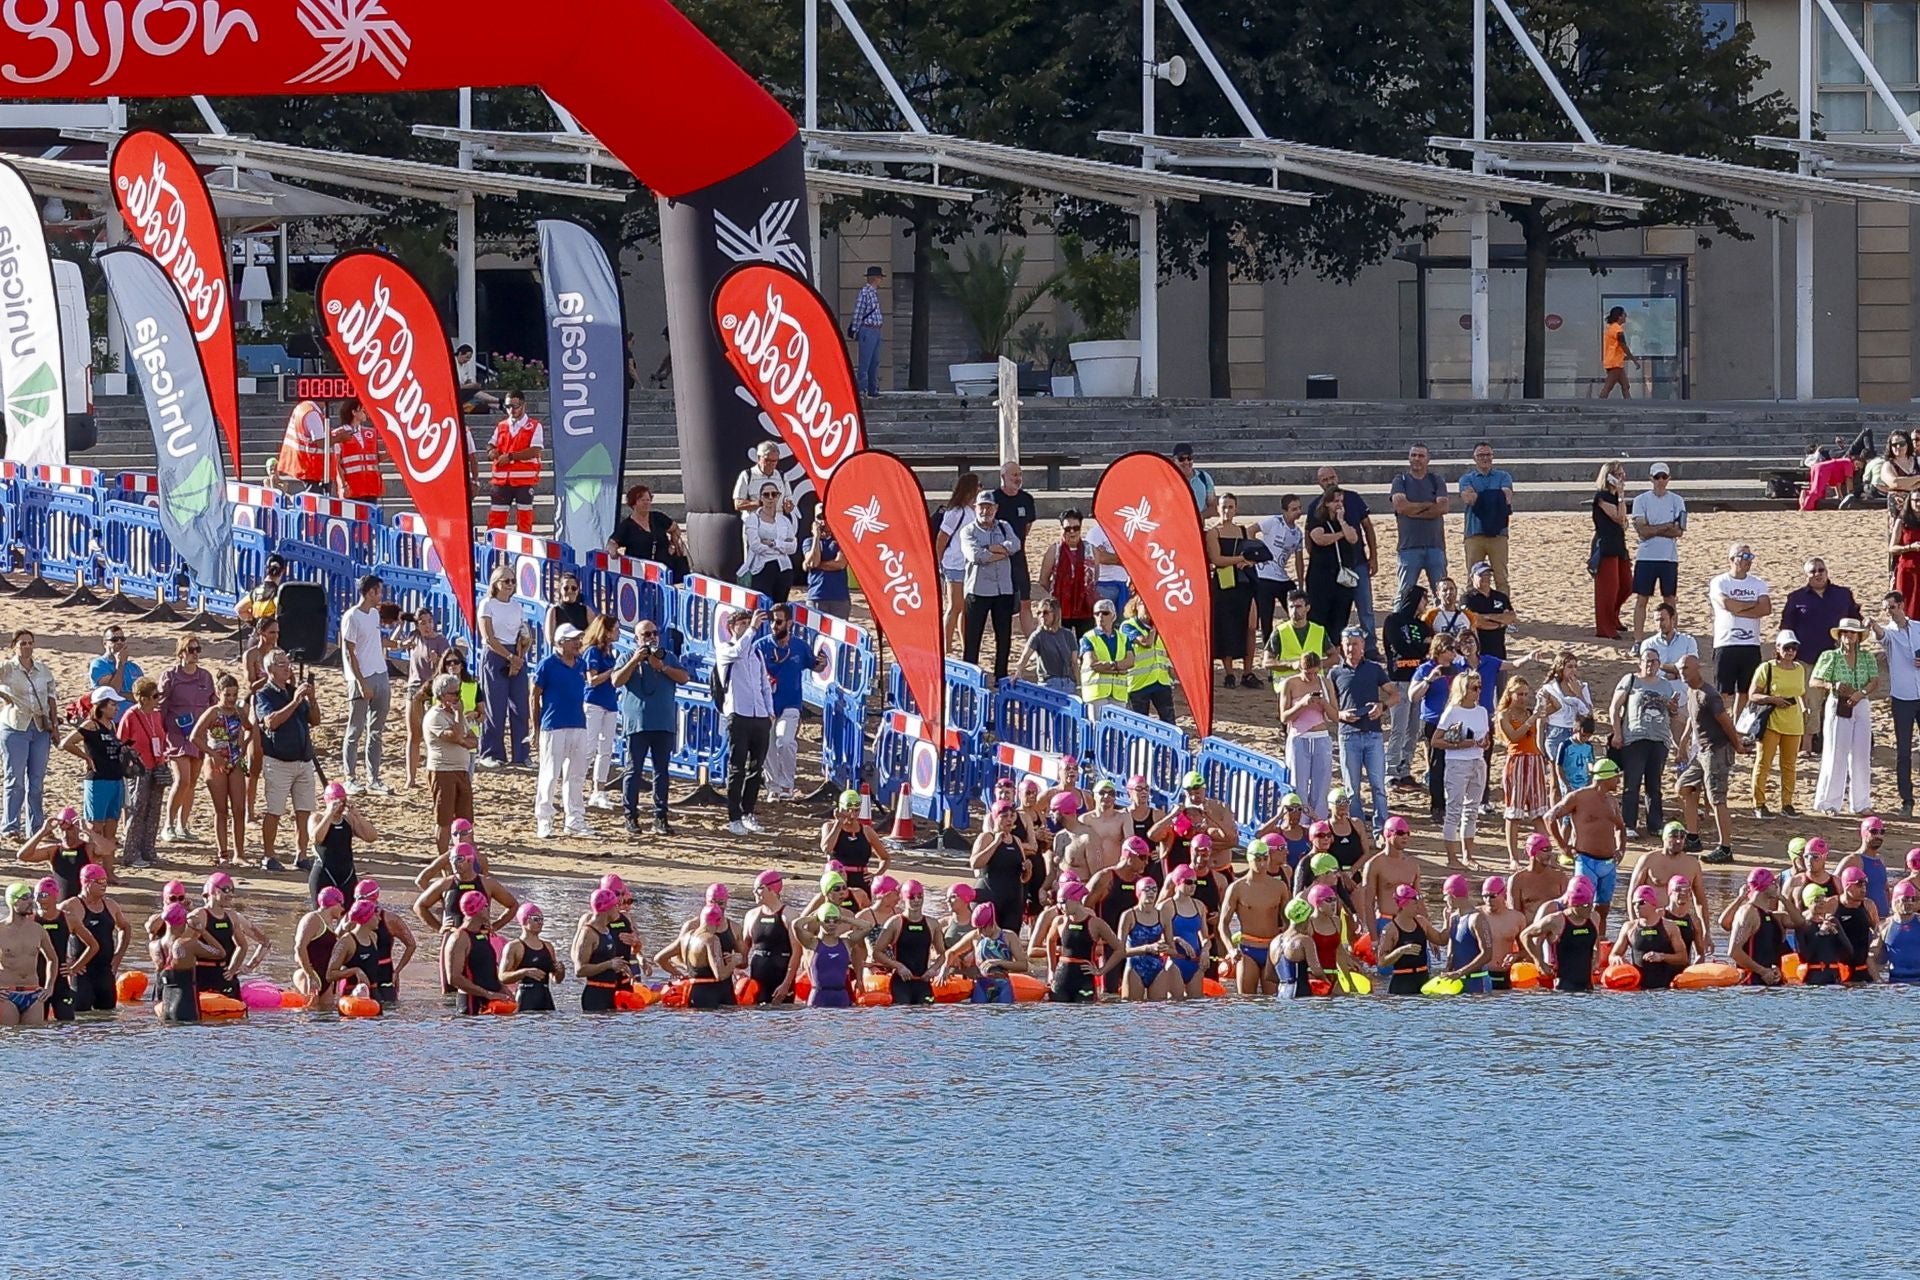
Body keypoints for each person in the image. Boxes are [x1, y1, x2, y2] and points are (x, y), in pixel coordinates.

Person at [613, 619, 688, 837]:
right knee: (633, 770)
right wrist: (635, 661)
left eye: (654, 633)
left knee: (661, 772)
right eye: (646, 634)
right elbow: (616, 681)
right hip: (638, 724)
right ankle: (630, 815)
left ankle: (660, 816)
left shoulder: (668, 657)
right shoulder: (627, 657)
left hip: (663, 724)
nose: (651, 637)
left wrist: (662, 667)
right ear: (637, 638)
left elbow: (684, 678)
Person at [1677, 654, 1749, 865]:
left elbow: (1725, 721)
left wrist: (1737, 744)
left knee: (1717, 799)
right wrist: (1683, 743)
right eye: (1681, 669)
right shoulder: (1692, 691)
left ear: (1697, 668)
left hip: (1716, 750)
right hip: (1701, 751)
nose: (1683, 672)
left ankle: (1725, 847)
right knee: (1684, 787)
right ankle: (1692, 836)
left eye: (1686, 668)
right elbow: (1693, 718)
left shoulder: (1709, 695)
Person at [1328, 625, 1399, 836]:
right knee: (1352, 789)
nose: (1351, 649)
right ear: (1342, 646)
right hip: (1348, 734)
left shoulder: (1374, 669)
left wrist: (1382, 707)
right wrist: (1341, 715)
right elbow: (1330, 707)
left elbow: (1395, 695)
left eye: (1355, 645)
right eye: (1348, 645)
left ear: (1363, 646)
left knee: (1378, 786)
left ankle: (1381, 831)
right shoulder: (1335, 673)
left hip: (1373, 734)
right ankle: (1357, 831)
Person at [1780, 557, 1859, 744]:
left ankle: (1839, 741)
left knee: (1841, 700)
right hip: (1808, 657)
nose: (1818, 574)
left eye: (1821, 570)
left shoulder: (1843, 594)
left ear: (1827, 571)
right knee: (1811, 702)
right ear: (1806, 575)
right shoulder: (1796, 598)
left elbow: (1856, 621)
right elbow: (1786, 627)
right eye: (1813, 571)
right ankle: (1807, 744)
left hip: (1839, 657)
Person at [255, 649, 321, 873]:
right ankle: (269, 855)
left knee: (304, 810)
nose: (287, 667)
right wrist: (294, 702)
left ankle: (302, 854)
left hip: (303, 760)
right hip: (278, 761)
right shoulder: (263, 694)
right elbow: (271, 722)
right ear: (270, 669)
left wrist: (311, 700)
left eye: (288, 663)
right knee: (274, 810)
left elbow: (315, 720)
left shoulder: (294, 692)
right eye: (282, 664)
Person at [758, 602, 828, 803]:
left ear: (789, 622)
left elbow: (814, 665)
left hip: (790, 702)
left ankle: (787, 784)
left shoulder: (799, 646)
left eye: (779, 621)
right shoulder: (761, 646)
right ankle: (773, 786)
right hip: (766, 704)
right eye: (772, 621)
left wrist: (822, 663)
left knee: (785, 741)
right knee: (767, 746)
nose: (774, 626)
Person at [1544, 759, 1625, 933]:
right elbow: (1549, 817)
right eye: (1616, 777)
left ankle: (1600, 941)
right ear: (1606, 778)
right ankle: (1570, 934)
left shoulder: (1612, 801)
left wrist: (1621, 849)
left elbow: (1620, 827)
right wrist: (1563, 846)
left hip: (1609, 863)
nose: (1618, 781)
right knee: (1579, 903)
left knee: (1603, 908)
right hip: (1586, 859)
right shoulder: (1579, 797)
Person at [1608, 647, 1681, 839]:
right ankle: (1628, 823)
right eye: (1646, 661)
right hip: (1634, 738)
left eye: (1654, 661)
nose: (1650, 665)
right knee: (1632, 783)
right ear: (1640, 663)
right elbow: (1614, 708)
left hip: (1659, 739)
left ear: (1659, 664)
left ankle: (1655, 824)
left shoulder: (1665, 685)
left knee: (1654, 785)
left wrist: (1673, 710)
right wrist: (1617, 733)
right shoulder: (1631, 680)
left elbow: (1673, 714)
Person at [1811, 617, 1880, 816]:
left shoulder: (1867, 657)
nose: (1848, 636)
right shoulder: (1830, 656)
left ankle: (1861, 803)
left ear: (1858, 636)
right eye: (1845, 633)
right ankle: (1829, 803)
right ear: (1840, 636)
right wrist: (1832, 685)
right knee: (1836, 753)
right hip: (1839, 703)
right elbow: (1814, 680)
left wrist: (1862, 693)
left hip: (1860, 702)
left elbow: (1874, 680)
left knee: (1861, 754)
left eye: (1852, 633)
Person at [530, 623, 592, 840]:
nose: (578, 643)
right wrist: (536, 727)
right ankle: (544, 820)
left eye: (578, 639)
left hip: (578, 723)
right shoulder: (547, 665)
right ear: (561, 642)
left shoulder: (580, 664)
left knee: (576, 775)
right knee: (549, 774)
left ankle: (574, 819)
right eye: (573, 639)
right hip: (553, 725)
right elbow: (534, 695)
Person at [716, 606, 774, 837]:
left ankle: (748, 811)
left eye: (747, 623)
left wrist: (769, 711)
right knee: (737, 767)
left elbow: (764, 684)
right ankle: (734, 816)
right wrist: (750, 630)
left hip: (759, 716)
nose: (746, 627)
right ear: (731, 627)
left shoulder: (756, 653)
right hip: (738, 714)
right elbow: (739, 651)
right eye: (740, 623)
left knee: (755, 767)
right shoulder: (726, 648)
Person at [336, 574, 391, 796]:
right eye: (378, 591)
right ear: (370, 592)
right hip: (362, 678)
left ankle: (373, 778)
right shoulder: (352, 617)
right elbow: (350, 652)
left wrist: (398, 643)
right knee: (355, 729)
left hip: (380, 673)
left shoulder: (375, 614)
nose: (381, 595)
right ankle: (350, 777)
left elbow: (374, 641)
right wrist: (360, 682)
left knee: (376, 731)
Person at [188, 675, 251, 867]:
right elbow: (195, 737)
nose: (231, 698)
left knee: (239, 810)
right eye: (227, 694)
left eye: (234, 694)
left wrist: (243, 747)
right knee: (221, 810)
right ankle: (223, 853)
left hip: (235, 761)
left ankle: (239, 853)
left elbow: (251, 728)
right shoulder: (213, 712)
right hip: (217, 762)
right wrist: (212, 753)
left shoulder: (239, 712)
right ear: (218, 693)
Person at [959, 489, 1022, 681]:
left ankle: (1000, 674)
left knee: (1003, 637)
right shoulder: (968, 531)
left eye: (989, 507)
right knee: (973, 637)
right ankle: (971, 676)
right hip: (978, 591)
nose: (985, 511)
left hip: (1003, 589)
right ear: (975, 508)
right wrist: (999, 552)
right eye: (982, 507)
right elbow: (976, 556)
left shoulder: (1004, 526)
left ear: (996, 508)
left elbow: (1016, 545)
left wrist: (990, 550)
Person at [476, 569, 534, 768]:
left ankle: (522, 753)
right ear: (496, 583)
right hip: (495, 655)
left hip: (516, 653)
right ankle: (491, 752)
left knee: (520, 706)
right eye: (506, 580)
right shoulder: (487, 605)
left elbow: (524, 635)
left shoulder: (517, 606)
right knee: (495, 706)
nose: (510, 584)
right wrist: (509, 656)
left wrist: (519, 656)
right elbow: (489, 638)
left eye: (513, 581)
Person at [0, 629, 54, 841]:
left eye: (30, 643)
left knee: (37, 780)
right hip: (15, 726)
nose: (27, 647)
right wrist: (6, 698)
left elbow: (51, 697)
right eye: (22, 643)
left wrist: (54, 726)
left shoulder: (42, 669)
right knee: (15, 779)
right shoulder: (7, 668)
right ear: (14, 645)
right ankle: (11, 826)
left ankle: (36, 826)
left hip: (39, 726)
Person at [1747, 630, 1807, 820]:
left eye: (1794, 648)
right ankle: (1759, 803)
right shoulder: (1767, 668)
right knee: (1764, 763)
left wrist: (1806, 708)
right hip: (1772, 721)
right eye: (1787, 648)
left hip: (1794, 722)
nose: (1790, 652)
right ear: (1778, 649)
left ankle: (1787, 803)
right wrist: (1773, 699)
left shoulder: (1799, 669)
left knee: (1789, 766)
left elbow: (1801, 693)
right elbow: (1752, 695)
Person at [1707, 542, 1771, 720]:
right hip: (1726, 643)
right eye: (1743, 556)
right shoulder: (1720, 581)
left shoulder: (1757, 583)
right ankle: (1721, 725)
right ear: (1731, 559)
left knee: (1746, 690)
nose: (1747, 561)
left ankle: (1736, 726)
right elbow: (1728, 605)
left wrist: (1740, 607)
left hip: (1750, 643)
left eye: (1750, 557)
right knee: (1724, 692)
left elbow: (1765, 609)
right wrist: (1751, 605)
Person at [115, 678, 171, 872]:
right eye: (154, 696)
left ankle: (149, 850)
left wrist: (162, 760)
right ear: (143, 698)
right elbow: (121, 745)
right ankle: (131, 853)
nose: (158, 700)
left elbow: (161, 740)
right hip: (138, 769)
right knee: (137, 810)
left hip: (156, 766)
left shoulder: (155, 716)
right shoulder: (130, 716)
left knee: (153, 809)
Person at [1436, 670, 1490, 869]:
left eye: (1479, 687)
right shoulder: (1453, 711)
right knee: (1454, 810)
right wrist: (1461, 744)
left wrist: (1483, 743)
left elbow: (1485, 737)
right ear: (1463, 690)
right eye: (1474, 688)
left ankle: (1468, 855)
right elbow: (1436, 740)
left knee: (1472, 810)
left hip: (1477, 761)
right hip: (1457, 762)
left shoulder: (1482, 711)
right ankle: (1452, 857)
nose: (1478, 691)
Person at [1381, 585, 1433, 792]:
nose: (1425, 604)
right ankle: (1391, 772)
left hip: (1418, 681)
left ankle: (1405, 770)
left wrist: (1418, 650)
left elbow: (1429, 649)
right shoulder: (1393, 621)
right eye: (1423, 599)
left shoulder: (1422, 626)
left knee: (1413, 730)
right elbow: (1399, 647)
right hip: (1399, 681)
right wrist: (1419, 650)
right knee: (1398, 728)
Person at [1873, 592, 1920, 815]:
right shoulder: (1890, 632)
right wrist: (1873, 626)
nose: (1888, 612)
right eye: (1885, 609)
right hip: (1902, 697)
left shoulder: (1919, 628)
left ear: (1901, 605)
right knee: (1903, 751)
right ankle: (1907, 800)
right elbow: (1882, 636)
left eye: (1891, 607)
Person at [418, 674, 476, 856]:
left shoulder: (455, 715)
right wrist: (459, 716)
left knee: (466, 818)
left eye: (458, 692)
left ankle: (465, 856)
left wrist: (463, 739)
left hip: (461, 770)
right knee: (443, 819)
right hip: (442, 771)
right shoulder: (435, 717)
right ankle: (443, 861)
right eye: (453, 693)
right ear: (441, 695)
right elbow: (456, 736)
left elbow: (473, 739)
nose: (457, 697)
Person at [1206, 492, 1260, 687]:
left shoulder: (1243, 531)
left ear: (1236, 509)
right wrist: (1240, 560)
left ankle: (1248, 671)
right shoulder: (1213, 532)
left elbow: (1254, 555)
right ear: (1217, 509)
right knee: (1226, 627)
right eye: (1224, 506)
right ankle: (1229, 672)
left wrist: (1249, 562)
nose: (1227, 510)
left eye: (1230, 506)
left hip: (1245, 583)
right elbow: (1217, 559)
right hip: (1224, 584)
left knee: (1251, 627)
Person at [1303, 466, 1365, 635]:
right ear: (1327, 503)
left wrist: (1342, 522)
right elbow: (1318, 539)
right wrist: (1340, 535)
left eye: (1341, 501)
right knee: (1319, 618)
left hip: (1342, 577)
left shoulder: (1343, 520)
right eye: (1335, 501)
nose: (1339, 504)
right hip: (1322, 577)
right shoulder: (1318, 518)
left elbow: (1353, 538)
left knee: (1340, 619)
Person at [1629, 462, 1687, 640]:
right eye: (1657, 477)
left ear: (1669, 478)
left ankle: (1672, 637)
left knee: (1669, 599)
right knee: (1642, 599)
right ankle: (1638, 639)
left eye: (1664, 477)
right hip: (1646, 557)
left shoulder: (1677, 500)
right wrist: (1665, 527)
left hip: (1668, 558)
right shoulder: (1641, 500)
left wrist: (1654, 528)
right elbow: (1643, 532)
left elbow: (1679, 530)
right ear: (1651, 479)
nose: (1660, 481)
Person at [1497, 676, 1550, 865]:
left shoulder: (1529, 711)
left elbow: (1556, 708)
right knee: (1514, 813)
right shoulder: (1504, 715)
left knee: (1538, 812)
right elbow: (1513, 737)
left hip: (1534, 760)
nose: (1523, 698)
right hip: (1517, 761)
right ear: (1510, 694)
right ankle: (1513, 857)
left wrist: (1545, 696)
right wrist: (1532, 720)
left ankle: (1545, 853)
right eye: (1519, 694)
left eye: (1526, 694)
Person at [1519, 874, 1602, 992]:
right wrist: (1540, 962)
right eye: (1585, 905)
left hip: (1587, 986)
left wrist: (1597, 959)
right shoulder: (1556, 920)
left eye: (1590, 904)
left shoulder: (1594, 917)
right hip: (1563, 988)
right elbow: (1525, 935)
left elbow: (1596, 940)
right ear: (1574, 904)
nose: (1589, 908)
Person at [63, 864, 126, 1014]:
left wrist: (118, 956)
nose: (104, 886)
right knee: (81, 1014)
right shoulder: (71, 906)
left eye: (106, 882)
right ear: (87, 882)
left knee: (108, 1014)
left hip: (105, 970)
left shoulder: (111, 905)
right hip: (81, 970)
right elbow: (54, 930)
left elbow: (125, 928)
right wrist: (67, 961)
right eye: (100, 882)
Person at [398, 608, 450, 793]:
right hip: (414, 687)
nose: (427, 626)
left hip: (433, 689)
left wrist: (437, 661)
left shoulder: (441, 641)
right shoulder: (415, 637)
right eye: (423, 622)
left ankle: (434, 777)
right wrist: (400, 625)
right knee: (414, 735)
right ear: (417, 624)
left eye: (429, 621)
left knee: (434, 736)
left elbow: (448, 668)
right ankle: (410, 778)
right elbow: (395, 645)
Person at [1409, 636, 1459, 822]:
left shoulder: (1457, 668)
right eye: (1450, 648)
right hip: (1433, 722)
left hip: (1455, 722)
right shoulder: (1426, 668)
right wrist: (1429, 680)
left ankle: (1453, 804)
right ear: (1440, 650)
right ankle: (1437, 806)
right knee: (1437, 765)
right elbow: (1413, 696)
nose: (1454, 652)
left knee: (1455, 765)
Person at [1390, 443, 1449, 598]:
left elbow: (1442, 507)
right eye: (1413, 455)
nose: (1417, 459)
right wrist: (1429, 507)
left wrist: (1413, 510)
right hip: (1409, 546)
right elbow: (1401, 507)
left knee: (1442, 593)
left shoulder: (1436, 480)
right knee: (1404, 594)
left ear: (1428, 459)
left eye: (1421, 456)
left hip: (1435, 546)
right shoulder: (1400, 480)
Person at [987, 461, 1039, 637]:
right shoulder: (993, 499)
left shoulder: (1026, 499)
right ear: (1003, 477)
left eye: (1019, 475)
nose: (1017, 479)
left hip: (1018, 558)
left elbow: (1027, 526)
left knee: (1025, 601)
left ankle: (1031, 643)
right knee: (1001, 603)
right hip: (998, 559)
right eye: (1014, 475)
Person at [444, 890, 514, 1015]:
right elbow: (454, 978)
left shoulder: (483, 934)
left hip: (492, 1001)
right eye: (486, 906)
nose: (489, 910)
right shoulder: (459, 938)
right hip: (471, 1004)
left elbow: (487, 969)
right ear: (480, 909)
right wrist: (487, 994)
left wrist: (502, 988)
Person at [1457, 442, 1514, 594]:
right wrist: (1495, 497)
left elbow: (1507, 497)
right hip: (1474, 533)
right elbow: (1468, 498)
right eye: (1481, 455)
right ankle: (1472, 611)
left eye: (1488, 455)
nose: (1485, 458)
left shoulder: (1504, 476)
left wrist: (1480, 496)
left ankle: (1503, 610)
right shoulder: (1466, 479)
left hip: (1499, 534)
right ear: (1474, 458)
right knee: (1473, 577)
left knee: (1501, 578)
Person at [307, 781, 376, 905]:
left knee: (349, 918)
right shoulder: (317, 818)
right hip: (324, 873)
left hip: (347, 874)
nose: (340, 805)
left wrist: (358, 816)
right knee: (321, 916)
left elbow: (371, 837)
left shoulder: (348, 820)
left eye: (343, 801)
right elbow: (317, 838)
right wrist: (329, 814)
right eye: (337, 802)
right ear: (328, 801)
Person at [581, 615, 623, 812]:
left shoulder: (610, 652)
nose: (618, 632)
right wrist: (613, 672)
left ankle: (599, 790)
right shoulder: (593, 652)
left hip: (609, 702)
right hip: (594, 702)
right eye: (615, 629)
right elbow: (592, 680)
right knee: (589, 747)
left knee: (605, 749)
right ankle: (578, 786)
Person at [1253, 495, 1305, 652]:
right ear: (1284, 511)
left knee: (1297, 608)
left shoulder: (1297, 533)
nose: (1297, 512)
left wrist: (1301, 584)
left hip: (1281, 577)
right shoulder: (1274, 522)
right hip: (1264, 577)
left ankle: (1295, 641)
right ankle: (1269, 652)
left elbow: (1299, 560)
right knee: (1266, 617)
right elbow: (1251, 530)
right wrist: (1255, 553)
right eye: (1293, 509)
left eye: (1299, 508)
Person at [486, 391, 543, 533]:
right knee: (495, 520)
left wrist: (510, 457)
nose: (511, 410)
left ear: (524, 406)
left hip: (524, 481)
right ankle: (493, 549)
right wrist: (491, 452)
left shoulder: (534, 426)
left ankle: (524, 551)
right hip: (501, 481)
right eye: (508, 406)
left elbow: (534, 451)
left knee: (524, 520)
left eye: (515, 406)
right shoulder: (502, 426)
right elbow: (491, 444)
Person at [1535, 651, 1592, 794]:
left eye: (1575, 667)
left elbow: (1589, 714)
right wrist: (1539, 745)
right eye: (1569, 667)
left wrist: (1579, 694)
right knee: (1556, 780)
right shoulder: (1548, 688)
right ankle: (1556, 815)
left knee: (1575, 777)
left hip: (1575, 733)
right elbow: (1541, 719)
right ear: (1560, 668)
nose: (1573, 670)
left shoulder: (1581, 686)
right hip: (1556, 733)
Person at [18, 809, 104, 900]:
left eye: (69, 830)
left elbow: (108, 849)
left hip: (84, 906)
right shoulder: (53, 850)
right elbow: (23, 855)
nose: (65, 834)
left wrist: (88, 831)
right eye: (62, 830)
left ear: (78, 828)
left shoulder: (88, 848)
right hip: (61, 907)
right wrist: (42, 832)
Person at [1037, 509, 1097, 638]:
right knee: (1061, 646)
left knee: (1086, 645)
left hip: (1085, 607)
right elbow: (1043, 580)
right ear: (1061, 529)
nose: (1072, 532)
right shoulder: (1054, 550)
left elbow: (1095, 577)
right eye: (1067, 529)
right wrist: (1058, 593)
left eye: (1076, 528)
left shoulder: (1091, 549)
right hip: (1060, 608)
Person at [607, 484, 687, 577]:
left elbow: (675, 528)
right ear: (633, 504)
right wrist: (613, 551)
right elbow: (612, 542)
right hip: (641, 574)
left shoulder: (658, 517)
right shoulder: (627, 526)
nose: (646, 503)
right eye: (642, 500)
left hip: (666, 570)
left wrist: (673, 543)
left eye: (648, 500)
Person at [1590, 461, 1632, 639]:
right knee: (1609, 588)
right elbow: (1618, 517)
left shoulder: (1616, 498)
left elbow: (1624, 521)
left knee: (1627, 585)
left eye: (1623, 474)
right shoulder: (1602, 497)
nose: (1622, 478)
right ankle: (1605, 628)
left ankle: (1614, 616)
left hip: (1618, 544)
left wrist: (1620, 495)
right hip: (1605, 545)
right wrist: (1620, 494)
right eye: (1618, 474)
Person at [741, 478, 799, 602]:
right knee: (762, 606)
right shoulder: (753, 518)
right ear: (761, 498)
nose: (770, 498)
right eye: (766, 495)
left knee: (780, 608)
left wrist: (773, 543)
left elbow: (793, 547)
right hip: (761, 568)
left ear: (778, 497)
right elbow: (755, 545)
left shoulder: (784, 520)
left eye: (774, 494)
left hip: (784, 568)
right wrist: (780, 548)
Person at [500, 903, 564, 1013]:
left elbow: (556, 979)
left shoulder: (548, 946)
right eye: (536, 919)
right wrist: (523, 972)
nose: (540, 922)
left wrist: (560, 971)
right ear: (524, 921)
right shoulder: (514, 946)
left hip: (545, 999)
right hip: (525, 998)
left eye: (542, 919)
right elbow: (502, 977)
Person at [1120, 598, 1176, 724]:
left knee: (1169, 722)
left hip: (1161, 681)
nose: (1148, 608)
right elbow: (1146, 642)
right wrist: (1155, 627)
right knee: (1139, 724)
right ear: (1136, 607)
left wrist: (1172, 673)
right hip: (1139, 684)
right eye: (1144, 604)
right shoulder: (1128, 626)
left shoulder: (1163, 627)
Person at [1015, 598, 1080, 693]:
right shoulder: (1038, 635)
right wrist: (1018, 672)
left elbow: (1074, 663)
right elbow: (1025, 657)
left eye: (1045, 612)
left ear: (1055, 613)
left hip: (1068, 683)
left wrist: (1078, 685)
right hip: (1048, 684)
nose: (1042, 616)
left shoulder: (1068, 635)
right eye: (1039, 613)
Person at [1461, 560, 1515, 662]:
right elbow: (1475, 622)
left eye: (1488, 575)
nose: (1485, 578)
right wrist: (1500, 623)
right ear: (1472, 577)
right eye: (1481, 574)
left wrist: (1487, 617)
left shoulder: (1500, 596)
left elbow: (1511, 617)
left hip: (1499, 652)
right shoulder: (1467, 598)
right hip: (1478, 652)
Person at [273, 397, 330, 494]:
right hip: (309, 464)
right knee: (314, 496)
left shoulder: (303, 408)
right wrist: (339, 438)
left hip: (301, 461)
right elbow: (320, 441)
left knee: (314, 494)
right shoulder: (312, 413)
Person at [800, 514, 851, 620]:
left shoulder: (840, 540)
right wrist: (816, 537)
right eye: (819, 517)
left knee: (839, 634)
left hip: (839, 597)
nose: (823, 521)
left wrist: (817, 564)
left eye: (825, 517)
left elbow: (840, 564)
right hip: (816, 595)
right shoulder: (809, 541)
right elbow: (813, 562)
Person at [332, 397, 383, 502]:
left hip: (371, 486)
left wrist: (391, 454)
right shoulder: (339, 434)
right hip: (352, 488)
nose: (365, 413)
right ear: (354, 412)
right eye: (362, 410)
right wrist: (342, 485)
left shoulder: (370, 433)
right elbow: (337, 464)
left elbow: (375, 458)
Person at [1082, 513, 1132, 614]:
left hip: (1126, 585)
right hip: (1104, 585)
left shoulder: (1128, 530)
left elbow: (1137, 555)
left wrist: (1114, 557)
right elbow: (1100, 558)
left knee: (1122, 623)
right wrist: (1125, 559)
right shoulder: (1096, 532)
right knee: (1104, 622)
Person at [851, 263, 885, 396]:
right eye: (880, 277)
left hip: (875, 330)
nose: (881, 280)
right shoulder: (865, 293)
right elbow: (858, 312)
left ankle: (873, 388)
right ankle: (862, 389)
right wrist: (855, 329)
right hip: (868, 329)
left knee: (874, 361)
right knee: (865, 361)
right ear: (875, 278)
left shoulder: (873, 293)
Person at [89, 626, 141, 710]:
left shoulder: (134, 667)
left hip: (136, 712)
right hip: (114, 715)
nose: (119, 642)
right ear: (105, 643)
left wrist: (125, 695)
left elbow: (142, 694)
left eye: (122, 639)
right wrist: (120, 665)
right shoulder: (99, 664)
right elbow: (111, 693)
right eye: (114, 640)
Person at [1599, 305, 1639, 398]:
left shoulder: (1611, 327)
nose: (1626, 316)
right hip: (1614, 363)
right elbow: (1623, 345)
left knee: (1625, 386)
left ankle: (1629, 404)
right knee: (1608, 387)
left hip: (1615, 362)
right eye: (1624, 314)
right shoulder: (1617, 329)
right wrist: (1634, 360)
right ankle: (1600, 403)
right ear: (1619, 316)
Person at [544, 572, 591, 648]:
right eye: (566, 588)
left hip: (581, 651)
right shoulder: (553, 611)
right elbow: (550, 640)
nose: (570, 591)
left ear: (578, 590)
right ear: (560, 590)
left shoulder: (587, 610)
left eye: (573, 588)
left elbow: (593, 635)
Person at [1172, 441, 1217, 517]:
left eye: (1189, 458)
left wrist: (1199, 516)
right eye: (1181, 459)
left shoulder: (1204, 478)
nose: (1186, 462)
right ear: (1173, 460)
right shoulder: (1167, 480)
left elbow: (1213, 507)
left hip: (1197, 527)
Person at [238, 556, 286, 626]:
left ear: (266, 569)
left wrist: (255, 623)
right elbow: (281, 614)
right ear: (283, 571)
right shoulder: (278, 593)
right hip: (273, 633)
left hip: (258, 633)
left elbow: (239, 609)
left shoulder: (256, 591)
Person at [454, 344, 499, 414]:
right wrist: (469, 386)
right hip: (456, 391)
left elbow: (468, 379)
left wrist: (471, 384)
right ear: (460, 354)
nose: (468, 360)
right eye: (466, 357)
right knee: (475, 393)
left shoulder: (466, 365)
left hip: (464, 390)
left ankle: (498, 405)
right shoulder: (452, 363)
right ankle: (498, 401)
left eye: (469, 358)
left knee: (477, 396)